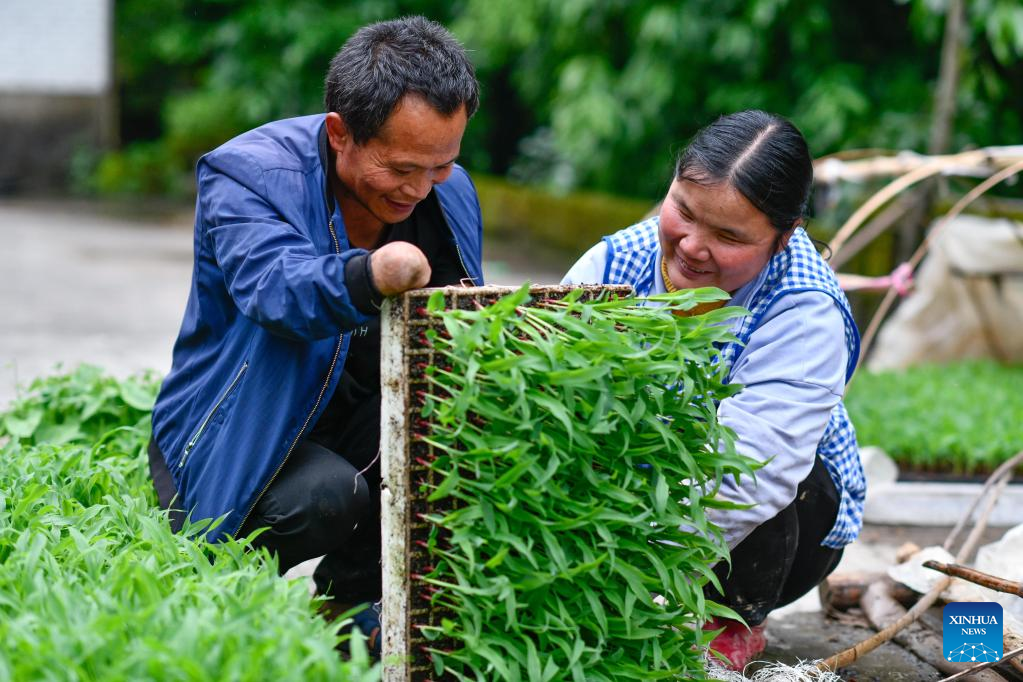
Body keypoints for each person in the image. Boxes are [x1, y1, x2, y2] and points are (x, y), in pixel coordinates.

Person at [146, 16, 483, 657]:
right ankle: (227, 613)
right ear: (340, 133)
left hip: (353, 415)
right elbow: (275, 289)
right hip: (237, 428)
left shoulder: (449, 192)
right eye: (402, 167)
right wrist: (371, 273)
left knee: (442, 447)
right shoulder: (246, 174)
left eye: (441, 165)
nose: (419, 188)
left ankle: (346, 620)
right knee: (326, 497)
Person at [562, 110, 866, 670]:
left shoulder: (805, 309)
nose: (693, 247)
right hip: (639, 509)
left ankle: (734, 620)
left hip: (785, 530)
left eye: (728, 236)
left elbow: (753, 473)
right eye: (683, 211)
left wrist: (634, 559)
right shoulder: (612, 267)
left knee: (765, 473)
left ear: (784, 236)